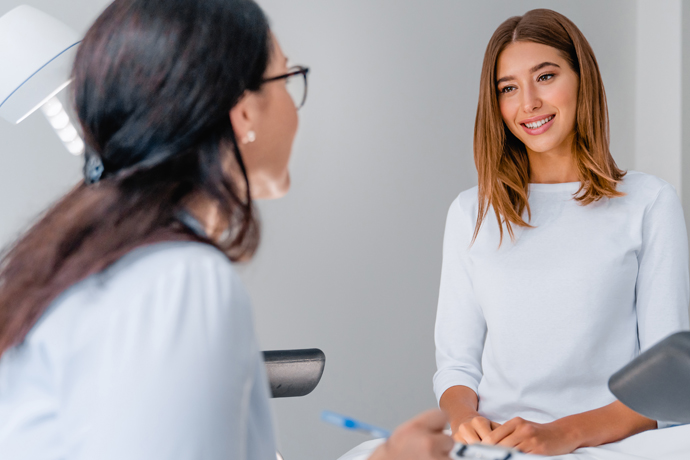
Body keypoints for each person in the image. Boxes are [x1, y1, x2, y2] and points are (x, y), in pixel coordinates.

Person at [0, 1, 454, 459]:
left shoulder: (83, 267)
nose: (295, 110)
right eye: (287, 78)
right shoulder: (179, 281)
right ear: (243, 114)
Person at [433, 8, 690, 457]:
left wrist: (561, 434)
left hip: (610, 443)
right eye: (508, 88)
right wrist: (463, 420)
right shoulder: (470, 211)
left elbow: (667, 382)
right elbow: (457, 365)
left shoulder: (649, 202)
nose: (528, 102)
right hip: (500, 444)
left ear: (581, 80)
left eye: (545, 77)